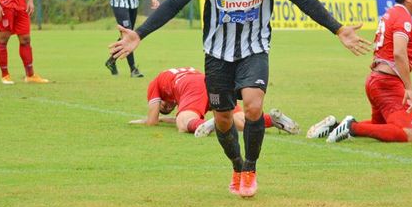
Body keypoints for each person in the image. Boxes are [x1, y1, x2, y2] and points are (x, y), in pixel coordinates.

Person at [110, 0, 371, 197]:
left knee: (253, 106)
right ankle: (236, 166)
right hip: (217, 55)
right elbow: (175, 2)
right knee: (222, 118)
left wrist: (337, 28)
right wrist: (140, 33)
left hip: (254, 49)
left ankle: (250, 169)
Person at [307, 0, 412, 144]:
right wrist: (409, 88)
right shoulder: (402, 17)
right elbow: (399, 53)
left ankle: (335, 127)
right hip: (388, 83)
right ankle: (351, 128)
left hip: (376, 80)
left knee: (381, 125)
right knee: (408, 133)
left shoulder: (391, 13)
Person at [128, 67, 300, 137]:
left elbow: (152, 121)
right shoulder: (174, 76)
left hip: (191, 86)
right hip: (209, 79)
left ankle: (210, 125)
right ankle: (273, 120)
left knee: (182, 123)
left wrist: (145, 120)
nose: (165, 106)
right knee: (239, 122)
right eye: (168, 108)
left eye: (163, 106)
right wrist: (165, 118)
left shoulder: (155, 84)